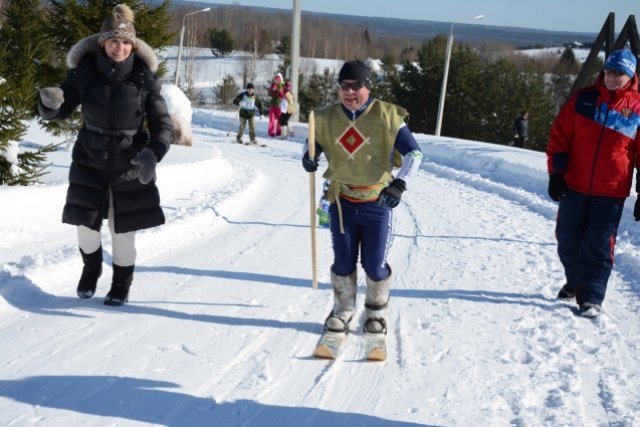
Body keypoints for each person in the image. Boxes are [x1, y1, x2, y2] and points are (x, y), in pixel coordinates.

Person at [37, 4, 172, 306]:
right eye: (114, 41)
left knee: (122, 233)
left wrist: (153, 153)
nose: (120, 47)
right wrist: (51, 104)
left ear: (133, 46)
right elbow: (62, 108)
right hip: (90, 161)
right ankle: (91, 267)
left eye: (126, 42)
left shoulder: (144, 80)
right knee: (85, 227)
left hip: (132, 164)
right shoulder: (85, 74)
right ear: (102, 43)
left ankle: (121, 283)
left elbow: (162, 124)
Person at [302, 60, 423, 335]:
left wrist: (399, 185)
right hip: (342, 203)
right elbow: (312, 143)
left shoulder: (388, 116)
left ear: (368, 86)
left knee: (374, 264)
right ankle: (343, 310)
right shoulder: (327, 117)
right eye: (344, 86)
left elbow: (414, 154)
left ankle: (376, 314)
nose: (349, 92)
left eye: (356, 86)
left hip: (376, 204)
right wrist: (309, 157)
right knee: (343, 262)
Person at [546, 49, 640, 318]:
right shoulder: (584, 100)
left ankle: (591, 297)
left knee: (599, 244)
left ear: (630, 76)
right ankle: (576, 281)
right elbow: (560, 137)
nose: (611, 78)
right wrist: (556, 173)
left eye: (618, 74)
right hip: (574, 185)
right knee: (567, 240)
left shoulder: (637, 109)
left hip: (611, 191)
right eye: (608, 71)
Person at [268, 73, 284, 137]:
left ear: (280, 80)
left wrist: (278, 90)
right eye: (275, 79)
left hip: (279, 105)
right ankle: (271, 132)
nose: (276, 81)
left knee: (279, 120)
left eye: (278, 79)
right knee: (271, 119)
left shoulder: (282, 86)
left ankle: (278, 132)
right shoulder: (272, 85)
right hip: (272, 105)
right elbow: (269, 94)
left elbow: (283, 95)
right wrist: (272, 90)